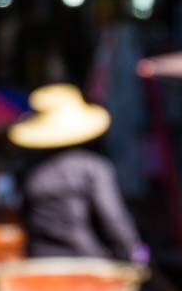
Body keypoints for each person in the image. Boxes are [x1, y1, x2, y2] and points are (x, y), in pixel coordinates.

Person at [8, 84, 145, 261]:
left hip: (39, 258)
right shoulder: (93, 167)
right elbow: (113, 218)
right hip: (85, 259)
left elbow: (23, 215)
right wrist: (132, 252)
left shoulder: (30, 170)